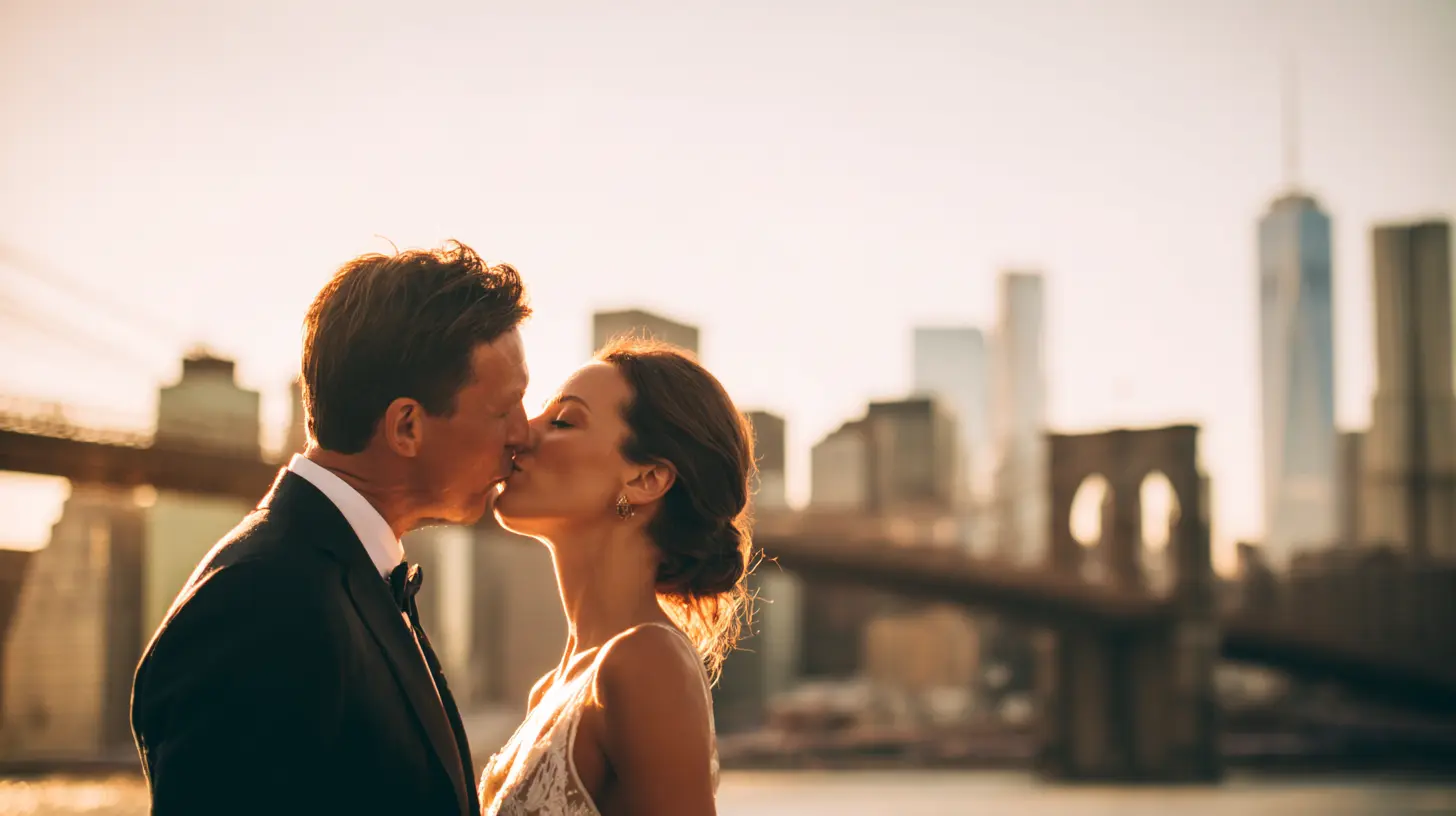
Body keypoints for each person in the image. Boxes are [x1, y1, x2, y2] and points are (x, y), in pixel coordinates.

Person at [130, 241, 532, 816]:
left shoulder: (335, 573)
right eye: (505, 409)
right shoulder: (258, 605)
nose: (524, 433)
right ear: (407, 426)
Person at [478, 337, 755, 816]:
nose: (521, 433)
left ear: (645, 479)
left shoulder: (646, 662)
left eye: (563, 421)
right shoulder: (552, 687)